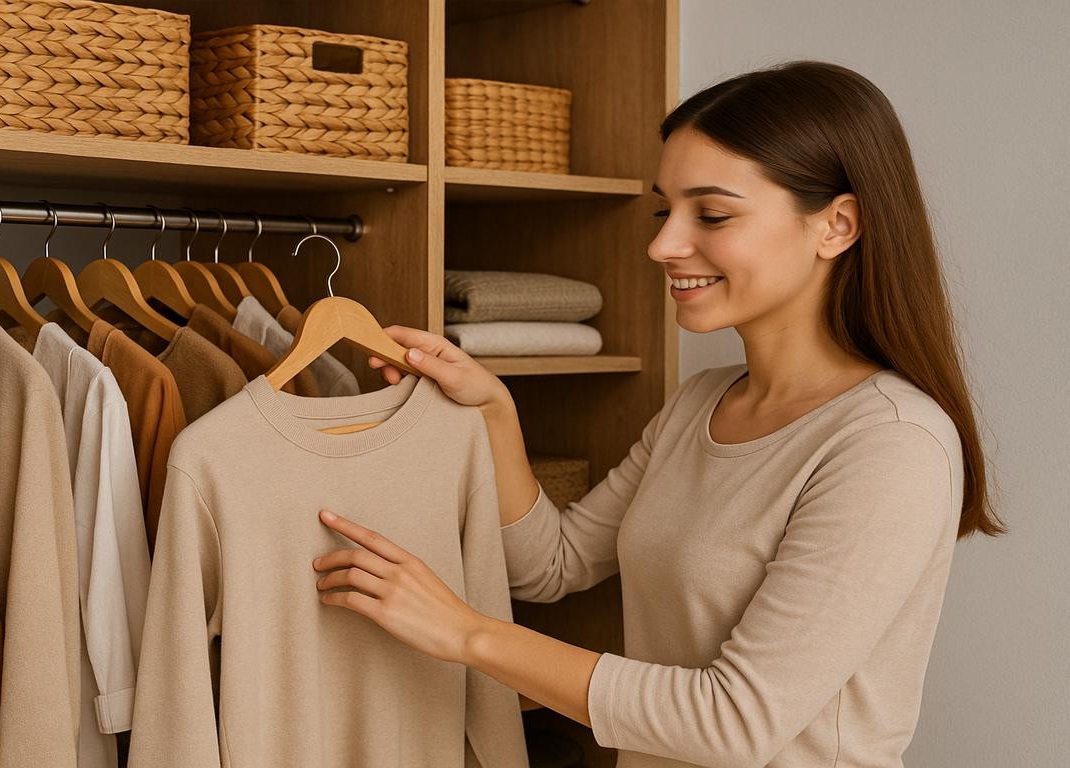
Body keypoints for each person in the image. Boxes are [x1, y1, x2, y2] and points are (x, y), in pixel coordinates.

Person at [309, 60, 1006, 767]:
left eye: (712, 214)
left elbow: (732, 722)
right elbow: (553, 565)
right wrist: (494, 413)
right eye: (662, 211)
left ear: (837, 226)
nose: (663, 245)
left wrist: (465, 633)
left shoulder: (890, 444)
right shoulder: (700, 404)